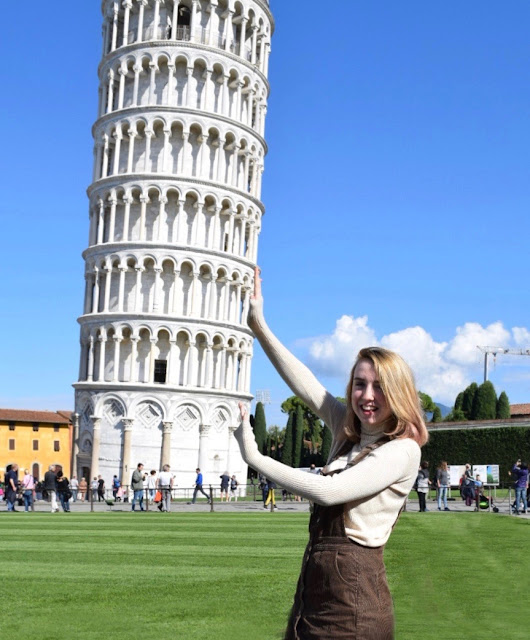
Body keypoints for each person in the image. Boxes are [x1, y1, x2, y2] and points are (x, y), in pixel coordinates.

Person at [235, 267, 428, 639]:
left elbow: (329, 491)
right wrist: (259, 325)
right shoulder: (348, 431)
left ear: (398, 393)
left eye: (379, 387)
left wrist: (255, 458)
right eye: (360, 384)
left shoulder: (403, 450)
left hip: (355, 603)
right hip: (314, 592)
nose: (367, 396)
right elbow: (307, 385)